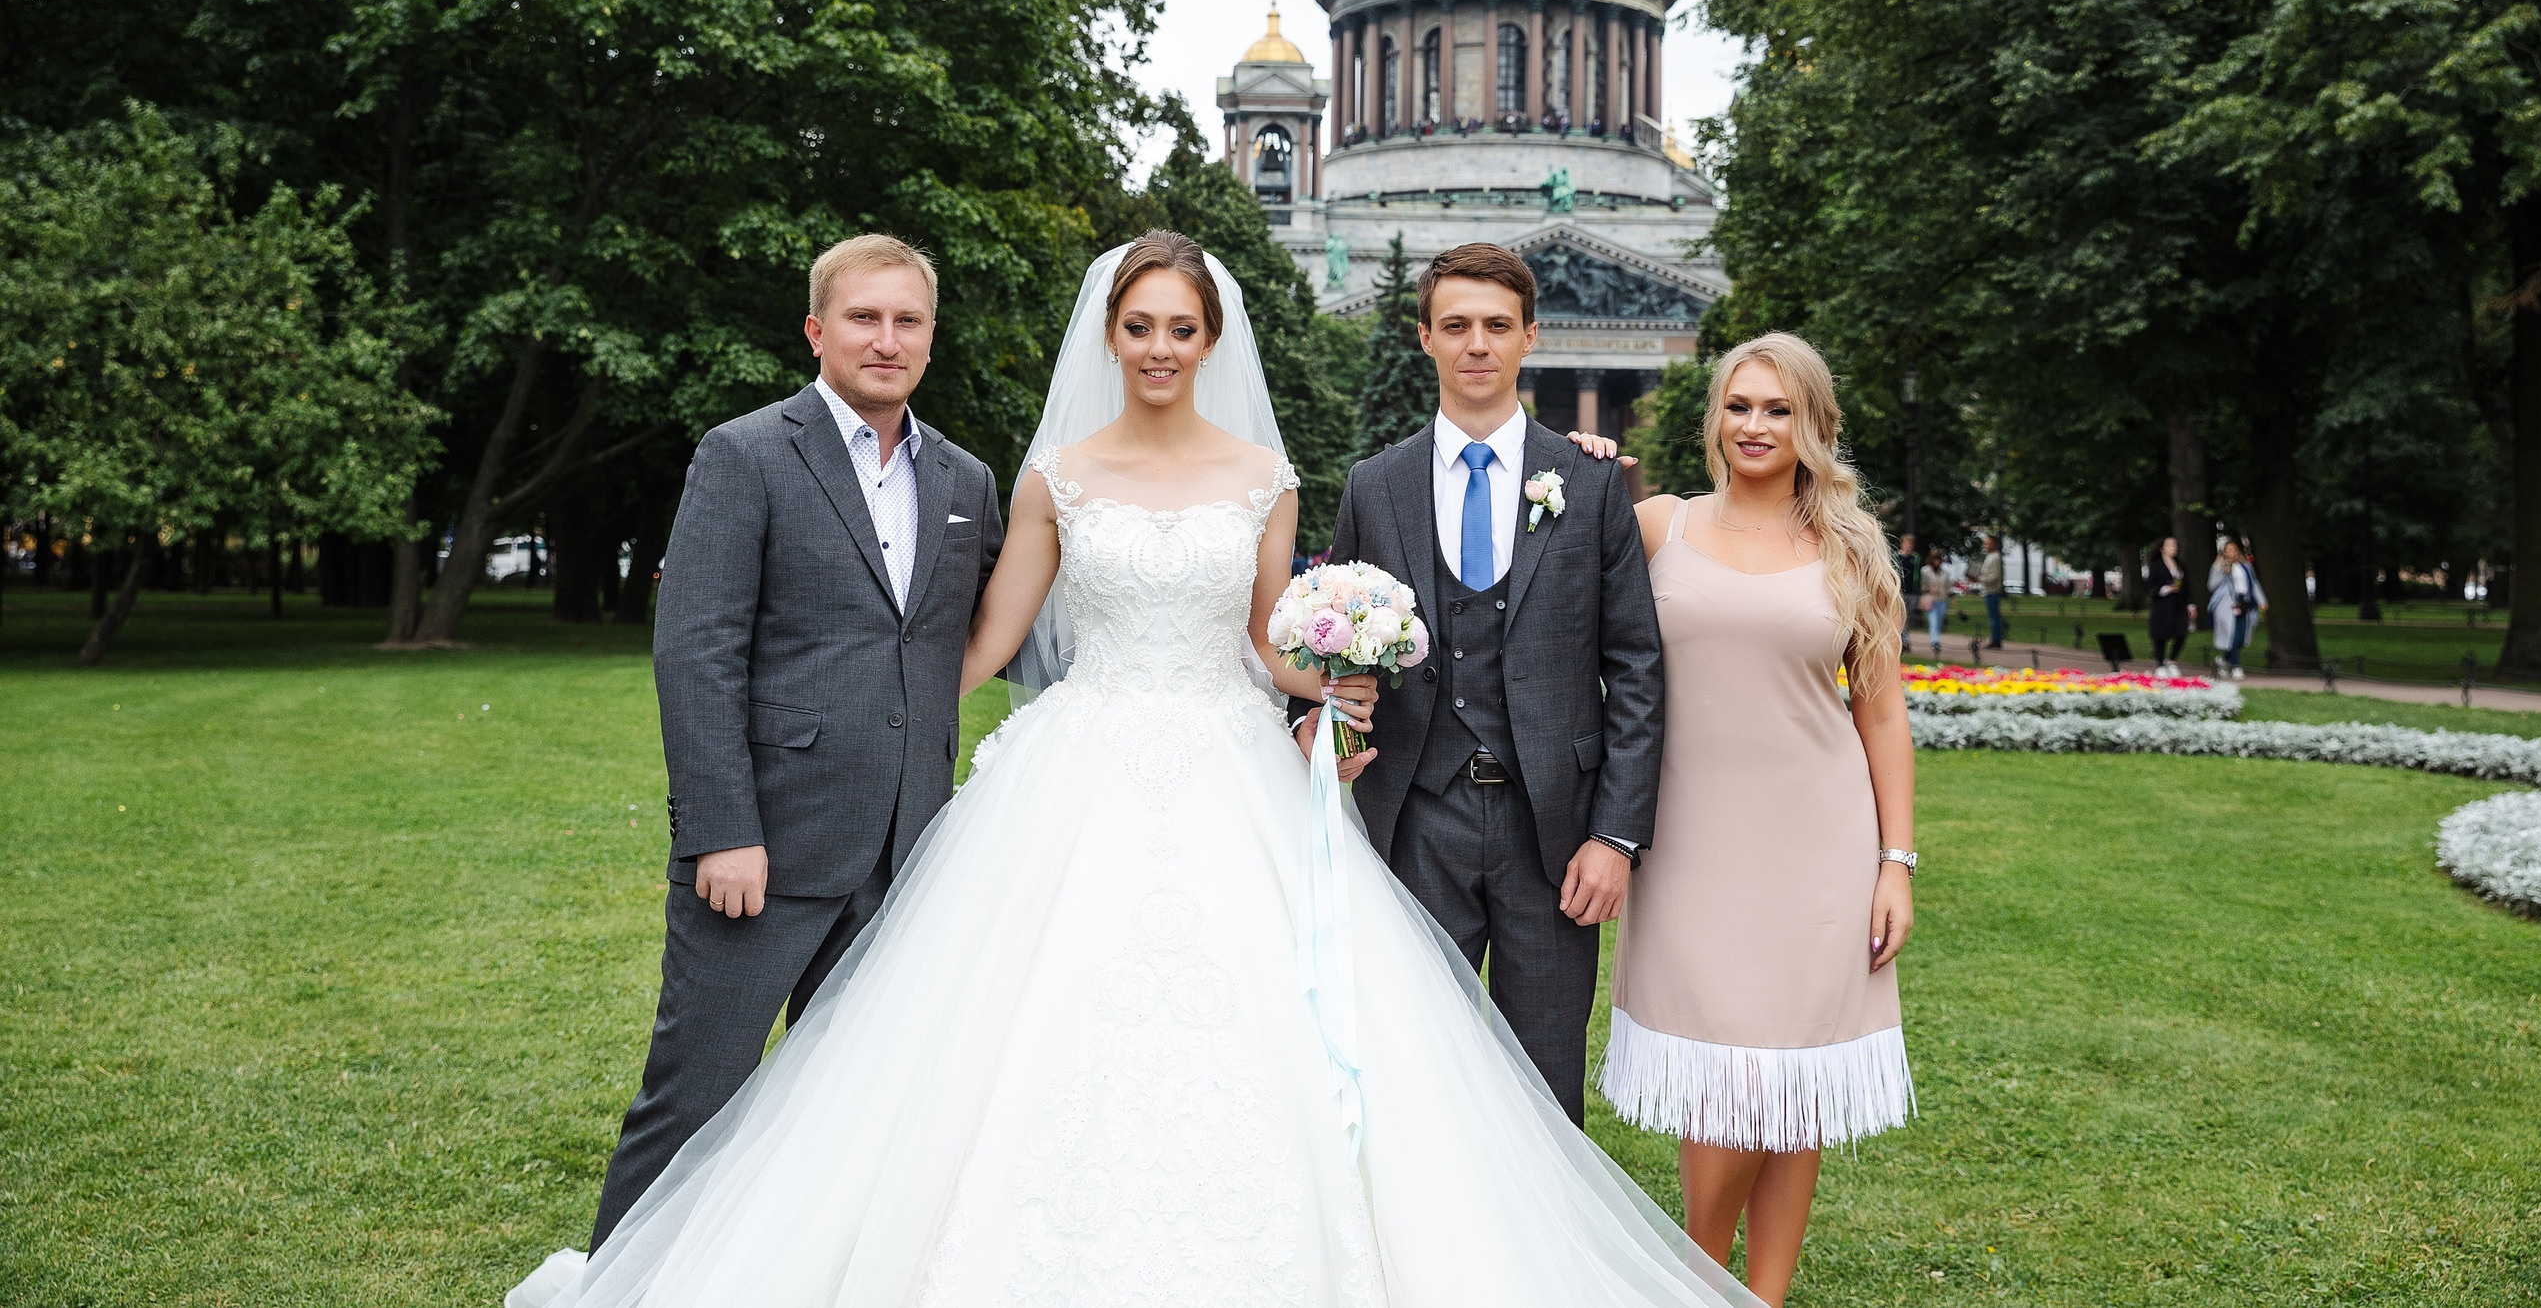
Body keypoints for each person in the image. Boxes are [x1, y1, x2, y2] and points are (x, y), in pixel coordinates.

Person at [509, 232, 1762, 1308]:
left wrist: (1339, 662)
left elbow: (1270, 641)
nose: (1161, 344)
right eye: (1140, 325)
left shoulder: (1263, 478)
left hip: (1227, 768)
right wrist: (832, 727)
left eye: (1182, 327)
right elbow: (981, 639)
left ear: (1211, 338)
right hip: (1079, 768)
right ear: (1109, 335)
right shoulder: (1051, 478)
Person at [579, 235, 1005, 1250]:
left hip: (905, 854)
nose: (886, 338)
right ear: (817, 329)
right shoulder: (746, 454)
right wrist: (724, 827)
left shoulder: (964, 477)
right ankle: (621, 1284)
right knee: (694, 1103)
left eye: (907, 320)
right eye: (864, 316)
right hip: (764, 850)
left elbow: (999, 628)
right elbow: (696, 653)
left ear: (931, 339)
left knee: (853, 1119)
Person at [1299, 241, 1663, 1126]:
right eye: (1455, 325)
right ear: (1425, 337)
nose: (1476, 345)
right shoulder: (1373, 486)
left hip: (1557, 834)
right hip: (1415, 816)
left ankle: (1545, 1262)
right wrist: (1311, 721)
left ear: (1530, 336)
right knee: (1415, 1072)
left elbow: (1638, 669)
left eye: (1497, 326)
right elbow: (1327, 626)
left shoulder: (1589, 481)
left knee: (1545, 1083)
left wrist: (1615, 839)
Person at [1600, 331, 1917, 1307]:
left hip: (1818, 840)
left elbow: (1881, 710)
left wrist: (1894, 859)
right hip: (1690, 843)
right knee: (1725, 1077)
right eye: (1739, 405)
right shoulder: (1658, 525)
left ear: (1811, 424)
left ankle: (1761, 1298)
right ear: (1714, 419)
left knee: (1794, 1078)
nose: (1754, 424)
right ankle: (1699, 1278)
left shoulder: (1851, 548)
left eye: (1776, 408)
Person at [2207, 541, 2261, 680]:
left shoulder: (2245, 567)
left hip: (2243, 603)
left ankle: (2224, 659)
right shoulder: (2218, 566)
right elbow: (2211, 585)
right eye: (2228, 550)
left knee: (2241, 636)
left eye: (2233, 549)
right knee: (2231, 634)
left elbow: (2253, 583)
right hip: (2226, 604)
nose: (2231, 553)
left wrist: (2261, 600)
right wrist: (2223, 573)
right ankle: (2236, 665)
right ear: (2224, 552)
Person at [2144, 535, 2192, 669]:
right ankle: (2160, 662)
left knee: (2181, 632)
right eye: (2170, 545)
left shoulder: (2181, 565)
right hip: (2163, 604)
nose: (2174, 548)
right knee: (2161, 633)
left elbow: (2187, 585)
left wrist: (2190, 604)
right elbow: (2150, 585)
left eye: (2175, 545)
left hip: (2179, 603)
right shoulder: (2157, 566)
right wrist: (2164, 589)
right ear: (2162, 549)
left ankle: (2172, 659)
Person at [1919, 548, 1950, 655]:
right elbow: (1922, 585)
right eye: (1934, 559)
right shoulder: (1925, 570)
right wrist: (1929, 589)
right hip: (1930, 599)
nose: (1936, 561)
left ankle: (1936, 638)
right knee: (1933, 621)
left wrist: (1950, 596)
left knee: (1939, 621)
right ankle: (1935, 641)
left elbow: (1947, 586)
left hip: (1942, 599)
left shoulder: (1945, 572)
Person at [1978, 534, 2006, 647]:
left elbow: (1994, 576)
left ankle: (1996, 640)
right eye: (1985, 543)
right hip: (1988, 590)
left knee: (1994, 617)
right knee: (1992, 616)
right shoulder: (1990, 556)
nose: (1986, 545)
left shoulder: (1995, 557)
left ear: (1994, 544)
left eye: (1988, 543)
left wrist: (1980, 579)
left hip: (1992, 591)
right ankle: (1995, 638)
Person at [1896, 532, 1920, 647]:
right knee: (1900, 615)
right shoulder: (1897, 557)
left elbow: (1917, 575)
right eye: (1907, 544)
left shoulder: (1915, 558)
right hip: (1900, 591)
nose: (1909, 546)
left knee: (1908, 616)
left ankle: (1904, 637)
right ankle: (1902, 639)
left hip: (1912, 591)